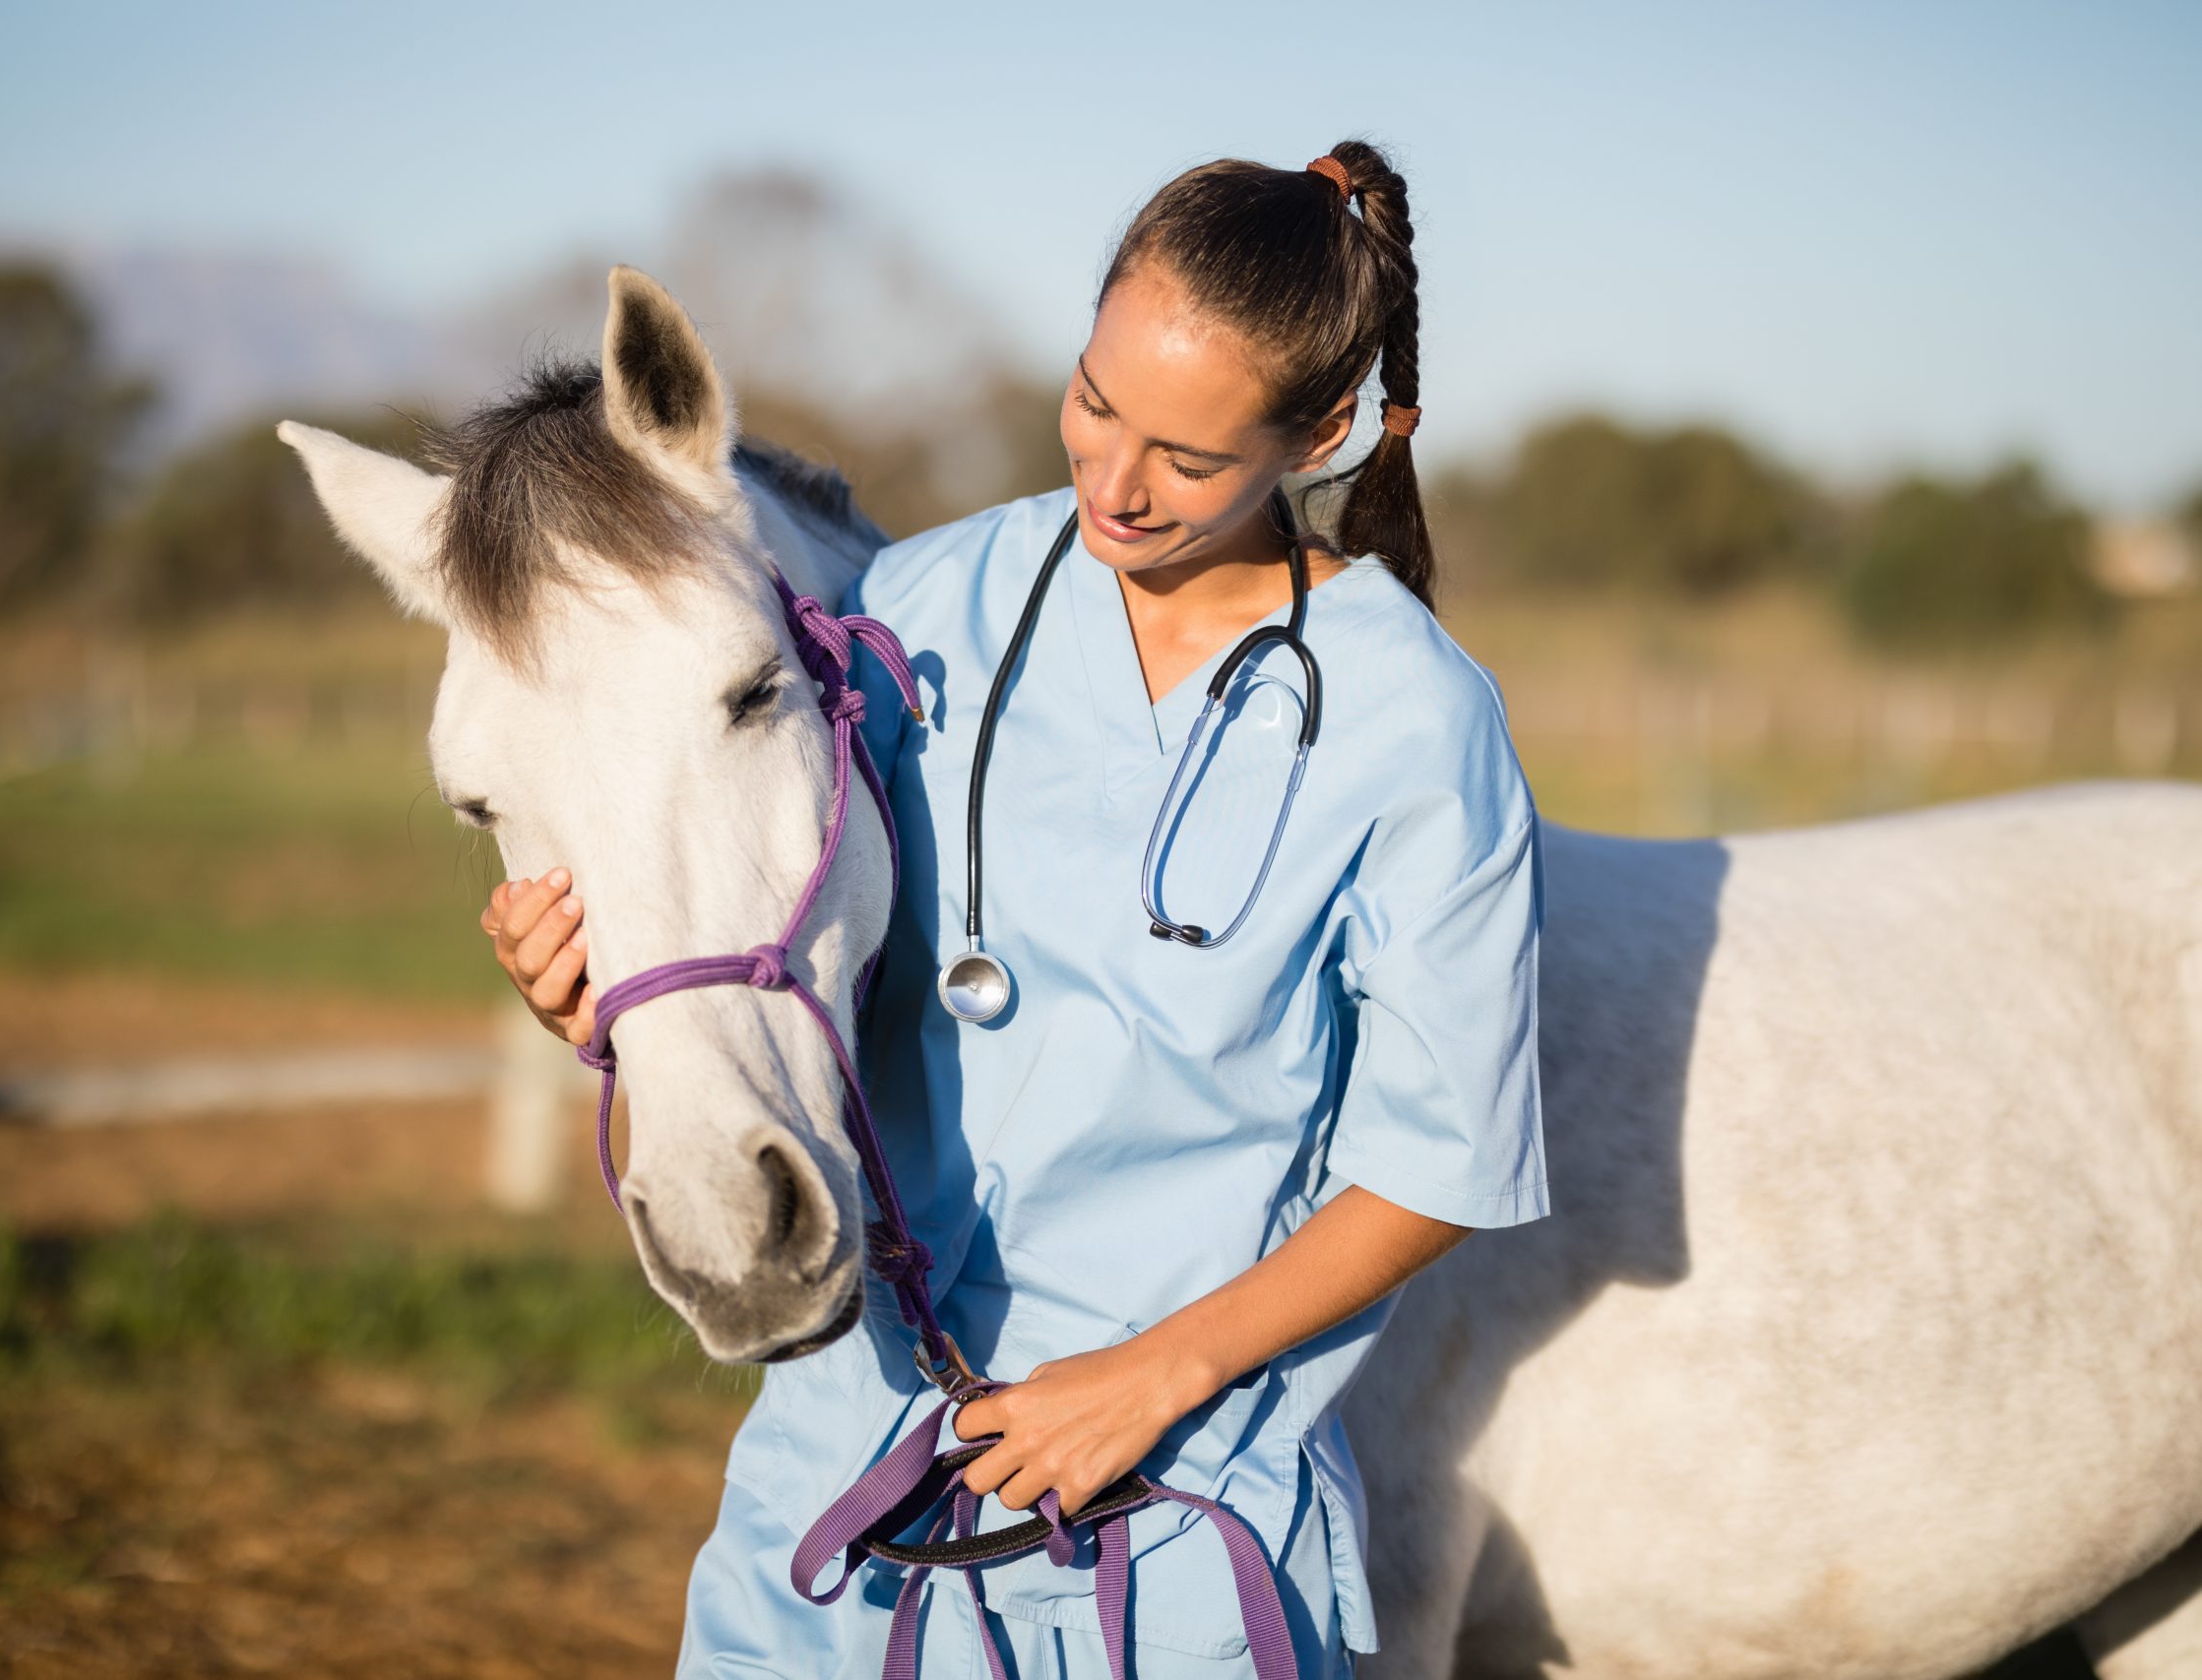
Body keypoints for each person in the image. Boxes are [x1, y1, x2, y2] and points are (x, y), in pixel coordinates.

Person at [482, 140, 1547, 1679]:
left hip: (1170, 1509)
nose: (1113, 484)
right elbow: (774, 943)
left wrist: (1149, 1377)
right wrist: (593, 997)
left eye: (1185, 458)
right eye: (1096, 403)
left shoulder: (1413, 722)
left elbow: (1439, 1161)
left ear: (1318, 433)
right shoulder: (909, 614)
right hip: (847, 1488)